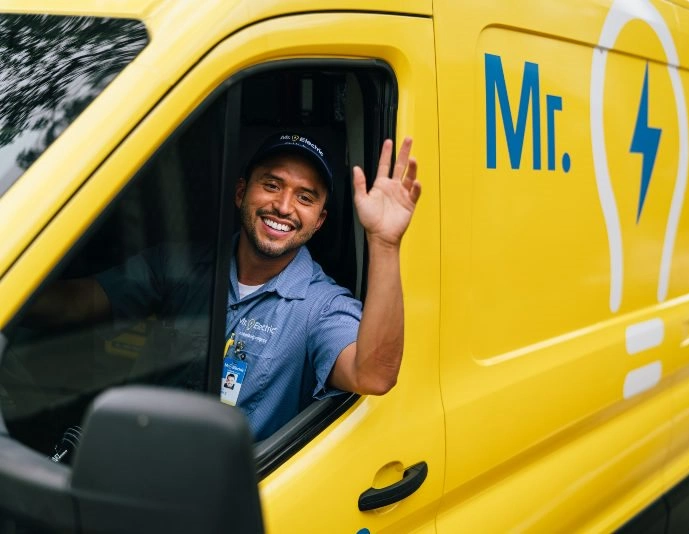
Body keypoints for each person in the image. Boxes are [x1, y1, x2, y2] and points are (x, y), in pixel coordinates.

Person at [23, 131, 421, 441]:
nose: (284, 206)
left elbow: (374, 375)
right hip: (131, 463)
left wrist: (385, 245)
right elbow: (80, 301)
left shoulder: (319, 306)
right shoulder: (178, 265)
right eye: (271, 184)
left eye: (305, 197)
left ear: (319, 221)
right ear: (240, 192)